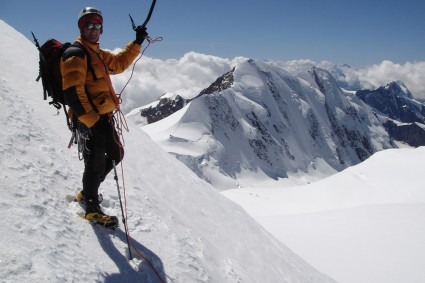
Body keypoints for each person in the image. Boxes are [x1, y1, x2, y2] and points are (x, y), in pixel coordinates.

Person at [61, 7, 148, 227]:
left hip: (103, 117)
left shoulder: (96, 53)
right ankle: (91, 208)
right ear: (81, 27)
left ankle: (88, 192)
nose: (93, 29)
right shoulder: (76, 54)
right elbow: (72, 93)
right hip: (88, 119)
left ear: (102, 29)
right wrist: (92, 121)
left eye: (97, 25)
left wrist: (136, 43)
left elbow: (118, 63)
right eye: (88, 25)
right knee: (95, 162)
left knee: (116, 153)